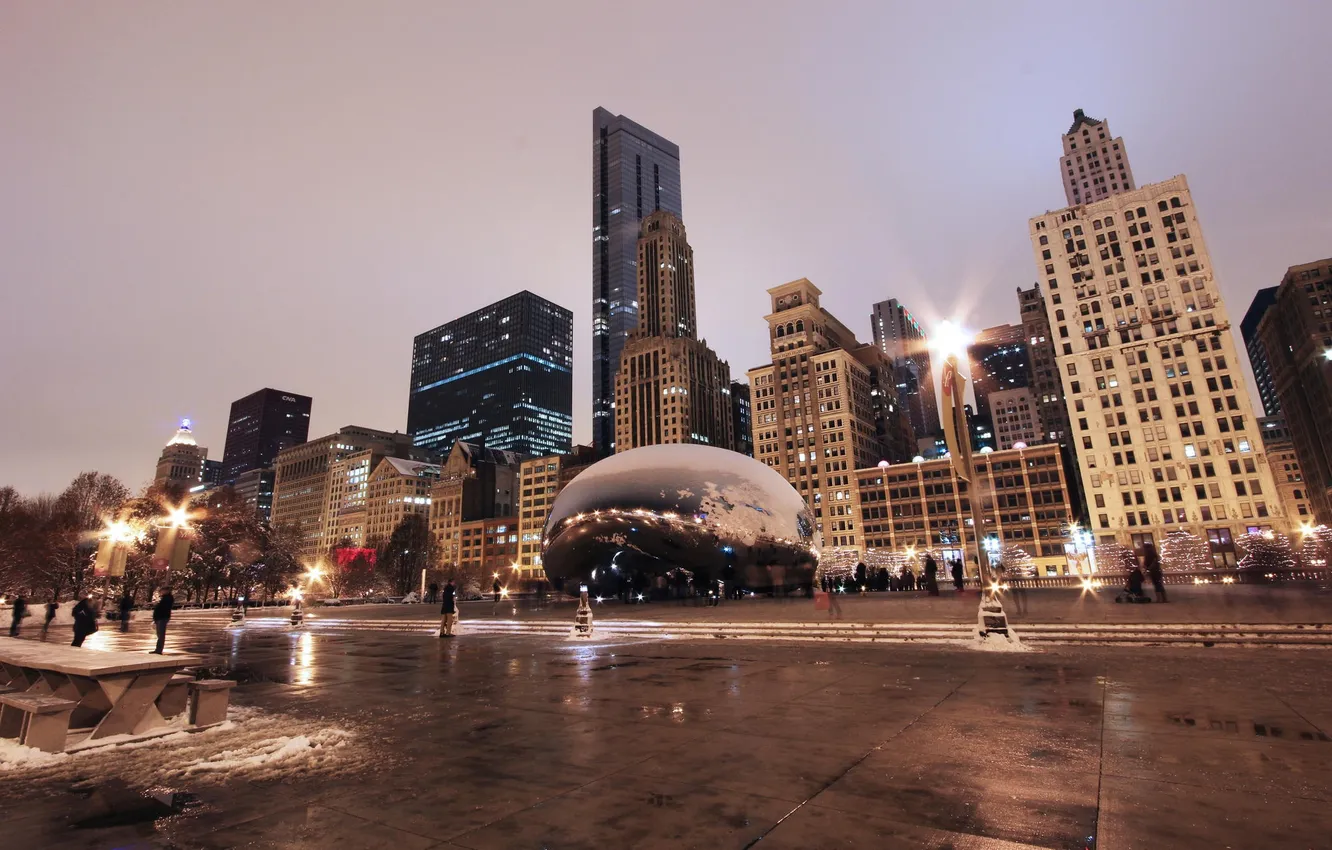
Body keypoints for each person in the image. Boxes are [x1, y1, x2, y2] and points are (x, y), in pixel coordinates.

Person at [151, 587, 174, 654]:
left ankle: (159, 649)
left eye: (163, 591)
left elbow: (163, 608)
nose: (161, 592)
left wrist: (157, 604)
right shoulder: (163, 598)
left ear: (167, 591)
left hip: (162, 617)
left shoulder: (168, 598)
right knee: (159, 634)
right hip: (160, 617)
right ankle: (158, 649)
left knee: (161, 634)